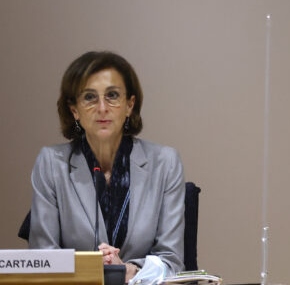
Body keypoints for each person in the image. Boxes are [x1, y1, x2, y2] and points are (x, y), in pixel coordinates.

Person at [29, 51, 185, 282]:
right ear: (74, 110)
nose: (102, 108)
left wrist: (128, 271)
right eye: (90, 97)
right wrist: (91, 267)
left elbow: (172, 262)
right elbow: (42, 260)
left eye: (112, 95)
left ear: (129, 105)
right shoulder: (52, 164)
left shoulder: (165, 163)